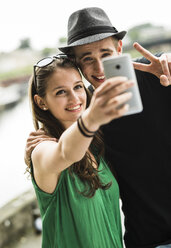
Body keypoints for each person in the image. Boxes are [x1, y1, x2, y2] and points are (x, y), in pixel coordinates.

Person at [25, 7, 171, 248]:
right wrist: (41, 144)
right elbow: (63, 150)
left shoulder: (157, 72)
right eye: (87, 59)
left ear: (120, 49)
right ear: (77, 63)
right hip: (146, 239)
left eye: (106, 54)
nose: (100, 68)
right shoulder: (87, 108)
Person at [28, 55, 135, 248]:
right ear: (41, 102)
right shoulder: (41, 149)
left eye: (78, 86)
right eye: (61, 92)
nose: (75, 98)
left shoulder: (96, 145)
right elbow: (65, 153)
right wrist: (91, 117)